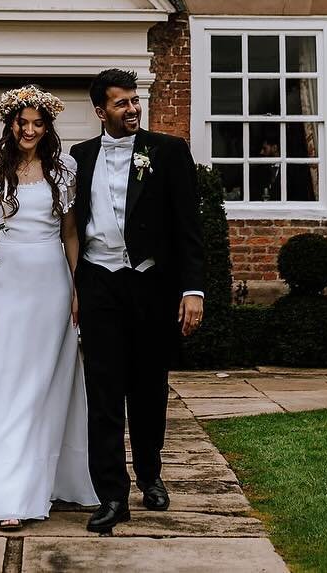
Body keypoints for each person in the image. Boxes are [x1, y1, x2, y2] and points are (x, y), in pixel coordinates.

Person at [0, 85, 100, 529]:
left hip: (50, 280)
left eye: (37, 123)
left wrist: (77, 287)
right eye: (22, 122)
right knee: (5, 380)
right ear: (9, 125)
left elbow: (70, 233)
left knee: (41, 383)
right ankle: (2, 490)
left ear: (48, 127)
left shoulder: (63, 169)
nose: (29, 130)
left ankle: (38, 483)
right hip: (4, 281)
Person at [70, 68, 205, 533]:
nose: (132, 108)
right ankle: (111, 495)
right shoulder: (79, 157)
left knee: (148, 389)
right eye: (121, 102)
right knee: (102, 392)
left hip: (150, 285)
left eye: (135, 100)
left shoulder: (167, 152)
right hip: (99, 284)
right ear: (99, 111)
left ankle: (151, 475)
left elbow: (189, 227)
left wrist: (192, 289)